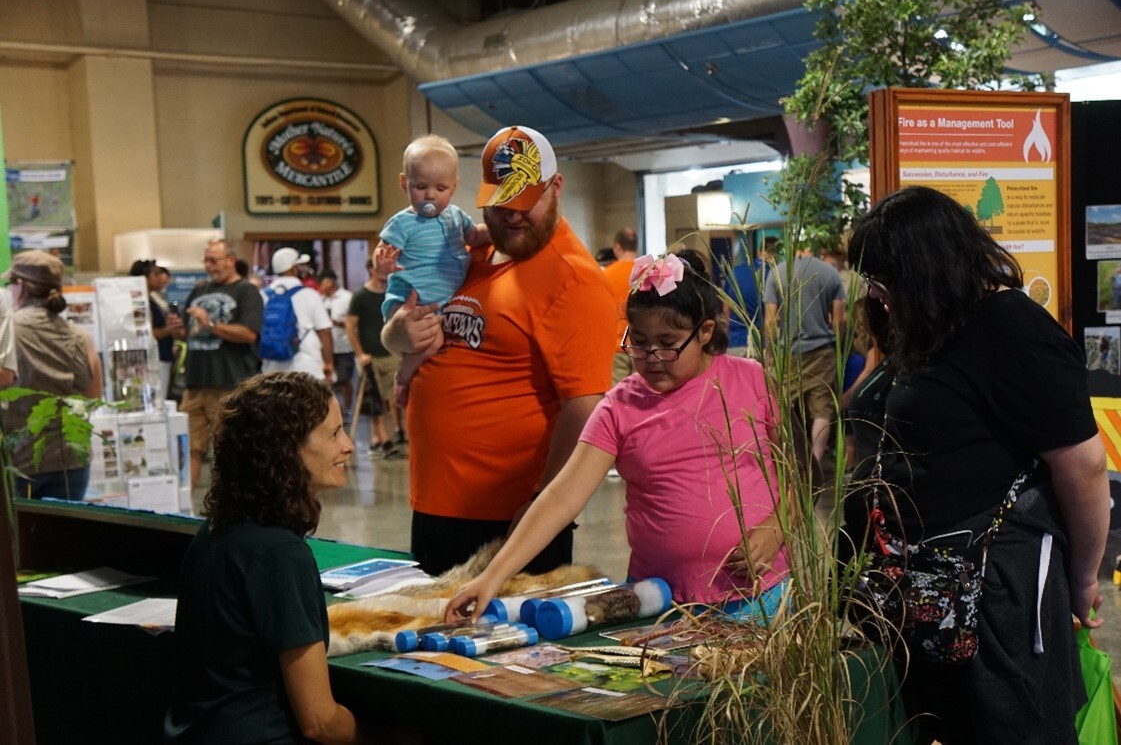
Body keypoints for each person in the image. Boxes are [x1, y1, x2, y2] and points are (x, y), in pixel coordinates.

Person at [842, 186, 1109, 745]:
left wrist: (1082, 577)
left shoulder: (1010, 327)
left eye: (886, 282)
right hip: (923, 588)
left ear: (927, 268)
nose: (879, 296)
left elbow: (1083, 467)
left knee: (1011, 724)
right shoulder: (928, 324)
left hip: (994, 592)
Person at [445, 249, 787, 620]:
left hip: (760, 597)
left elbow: (802, 475)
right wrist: (492, 576)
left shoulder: (752, 380)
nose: (651, 356)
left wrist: (777, 526)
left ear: (704, 331)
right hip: (661, 601)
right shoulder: (620, 406)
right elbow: (562, 497)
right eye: (638, 342)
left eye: (668, 344)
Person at [382, 124, 615, 575]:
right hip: (438, 501)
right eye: (500, 201)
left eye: (525, 201)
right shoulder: (476, 253)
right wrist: (396, 337)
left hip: (506, 518)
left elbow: (585, 409)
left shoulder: (574, 280)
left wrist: (542, 508)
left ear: (556, 187)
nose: (511, 216)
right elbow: (404, 327)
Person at [164, 372, 371, 744]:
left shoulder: (218, 531)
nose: (349, 445)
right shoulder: (281, 554)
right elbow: (320, 721)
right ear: (289, 448)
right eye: (334, 433)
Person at [377, 134, 488, 408]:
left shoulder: (456, 217)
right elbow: (383, 251)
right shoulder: (403, 223)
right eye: (421, 186)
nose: (430, 195)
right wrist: (384, 264)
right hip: (411, 301)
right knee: (433, 341)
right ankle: (403, 377)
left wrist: (494, 231)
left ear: (454, 186)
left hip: (441, 304)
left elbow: (474, 236)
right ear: (404, 183)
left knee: (442, 341)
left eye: (440, 188)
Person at [2, 251, 102, 499]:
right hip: (71, 461)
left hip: (20, 462)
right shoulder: (79, 336)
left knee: (18, 537)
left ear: (21, 285)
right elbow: (93, 396)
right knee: (62, 536)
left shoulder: (8, 331)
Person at [176, 238, 264, 487]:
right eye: (206, 260)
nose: (209, 266)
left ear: (230, 260)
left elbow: (249, 333)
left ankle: (232, 504)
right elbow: (189, 333)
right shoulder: (199, 291)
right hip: (194, 383)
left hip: (227, 383)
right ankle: (187, 503)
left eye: (214, 260)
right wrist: (178, 331)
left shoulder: (246, 291)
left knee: (229, 448)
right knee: (190, 446)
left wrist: (211, 325)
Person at [764, 247, 845, 465]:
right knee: (822, 411)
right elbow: (839, 320)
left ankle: (791, 464)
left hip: (788, 353)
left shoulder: (778, 272)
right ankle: (816, 464)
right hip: (823, 353)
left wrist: (769, 356)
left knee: (783, 409)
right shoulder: (830, 273)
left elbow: (770, 321)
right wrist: (841, 351)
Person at [346, 257, 403, 457]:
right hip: (370, 357)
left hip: (391, 354)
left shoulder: (393, 294)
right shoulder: (360, 296)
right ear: (370, 269)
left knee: (392, 400)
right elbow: (350, 326)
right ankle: (383, 439)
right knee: (375, 401)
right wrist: (360, 353)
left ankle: (379, 439)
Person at [261, 248, 333, 381]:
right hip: (306, 365)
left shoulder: (263, 295)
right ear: (294, 268)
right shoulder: (309, 294)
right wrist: (329, 363)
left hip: (272, 367)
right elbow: (324, 331)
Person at [129, 258, 182, 397]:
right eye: (156, 274)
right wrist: (168, 329)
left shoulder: (153, 299)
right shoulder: (141, 302)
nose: (161, 278)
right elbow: (147, 332)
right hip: (153, 359)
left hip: (163, 356)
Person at [723, 235, 775, 360]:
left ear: (759, 251)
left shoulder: (734, 272)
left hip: (734, 345)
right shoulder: (772, 275)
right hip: (759, 346)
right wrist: (770, 353)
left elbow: (726, 311)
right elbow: (771, 319)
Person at [602, 227, 638, 385]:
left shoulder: (605, 275)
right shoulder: (648, 272)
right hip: (644, 348)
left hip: (617, 348)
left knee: (618, 401)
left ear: (617, 247)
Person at [320, 269, 355, 417]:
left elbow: (353, 323)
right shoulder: (321, 300)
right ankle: (333, 412)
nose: (321, 286)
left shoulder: (347, 298)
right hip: (327, 348)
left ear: (331, 282)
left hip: (344, 346)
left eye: (322, 282)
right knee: (329, 380)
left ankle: (347, 409)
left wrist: (338, 323)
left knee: (344, 379)